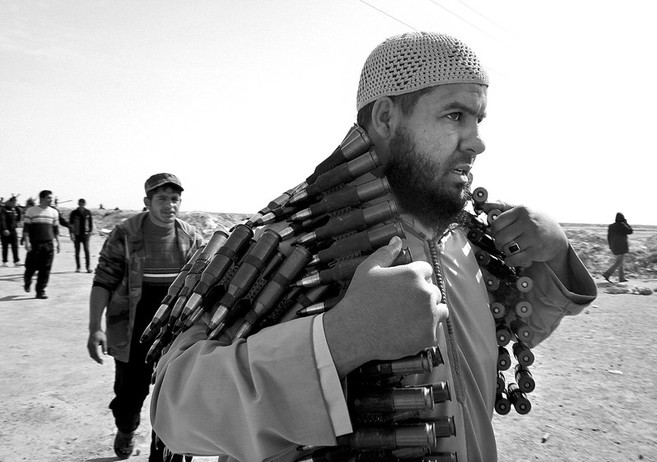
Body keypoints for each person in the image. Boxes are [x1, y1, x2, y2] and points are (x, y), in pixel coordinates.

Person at [150, 32, 597, 462]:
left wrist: (554, 255)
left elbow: (504, 338)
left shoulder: (463, 241)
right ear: (385, 118)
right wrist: (339, 340)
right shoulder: (291, 240)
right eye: (454, 115)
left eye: (478, 119)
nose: (478, 141)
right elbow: (176, 409)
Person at [86, 173, 203, 461]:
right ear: (147, 202)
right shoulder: (125, 234)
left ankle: (161, 453)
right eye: (162, 199)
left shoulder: (191, 237)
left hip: (175, 326)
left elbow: (204, 283)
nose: (170, 205)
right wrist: (94, 328)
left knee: (173, 397)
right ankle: (126, 429)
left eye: (175, 199)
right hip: (132, 325)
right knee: (129, 395)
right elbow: (103, 281)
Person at [22, 190, 60, 299]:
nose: (50, 200)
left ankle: (40, 291)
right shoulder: (31, 211)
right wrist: (27, 242)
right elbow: (26, 229)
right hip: (35, 244)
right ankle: (27, 280)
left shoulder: (54, 212)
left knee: (46, 268)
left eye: (51, 198)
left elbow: (55, 229)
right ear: (42, 198)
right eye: (48, 198)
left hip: (48, 244)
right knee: (31, 267)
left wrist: (57, 242)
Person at [603, 212, 633, 283]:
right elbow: (630, 231)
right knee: (619, 262)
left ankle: (621, 277)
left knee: (620, 262)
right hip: (621, 246)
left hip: (614, 245)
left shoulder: (611, 226)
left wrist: (610, 245)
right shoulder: (622, 225)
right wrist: (626, 223)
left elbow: (609, 237)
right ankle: (607, 274)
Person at [69, 198, 94, 273]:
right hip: (76, 234)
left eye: (83, 203)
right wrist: (71, 234)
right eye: (80, 203)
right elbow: (70, 224)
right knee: (77, 251)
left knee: (86, 250)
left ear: (85, 204)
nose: (82, 204)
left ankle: (88, 267)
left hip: (85, 234)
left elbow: (90, 223)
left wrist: (90, 232)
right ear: (78, 203)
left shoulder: (88, 212)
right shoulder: (74, 213)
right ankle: (78, 267)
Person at [1, 195, 23, 267]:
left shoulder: (14, 209)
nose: (15, 203)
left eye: (15, 202)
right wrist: (4, 229)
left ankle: (16, 261)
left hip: (13, 230)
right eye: (14, 202)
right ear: (10, 202)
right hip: (5, 231)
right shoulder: (4, 210)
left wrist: (17, 208)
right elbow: (2, 220)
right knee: (5, 247)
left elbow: (19, 217)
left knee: (15, 246)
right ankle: (5, 262)